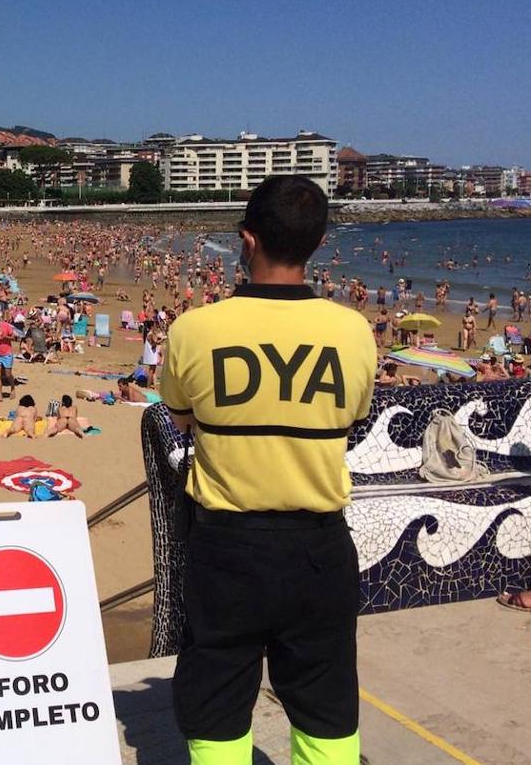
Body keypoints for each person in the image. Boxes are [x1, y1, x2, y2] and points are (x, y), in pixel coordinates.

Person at [159, 176, 376, 764]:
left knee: (218, 696)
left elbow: (179, 419)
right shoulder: (354, 331)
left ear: (246, 240)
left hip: (227, 542)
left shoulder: (195, 329)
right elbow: (352, 419)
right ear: (319, 242)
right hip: (318, 542)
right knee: (326, 701)